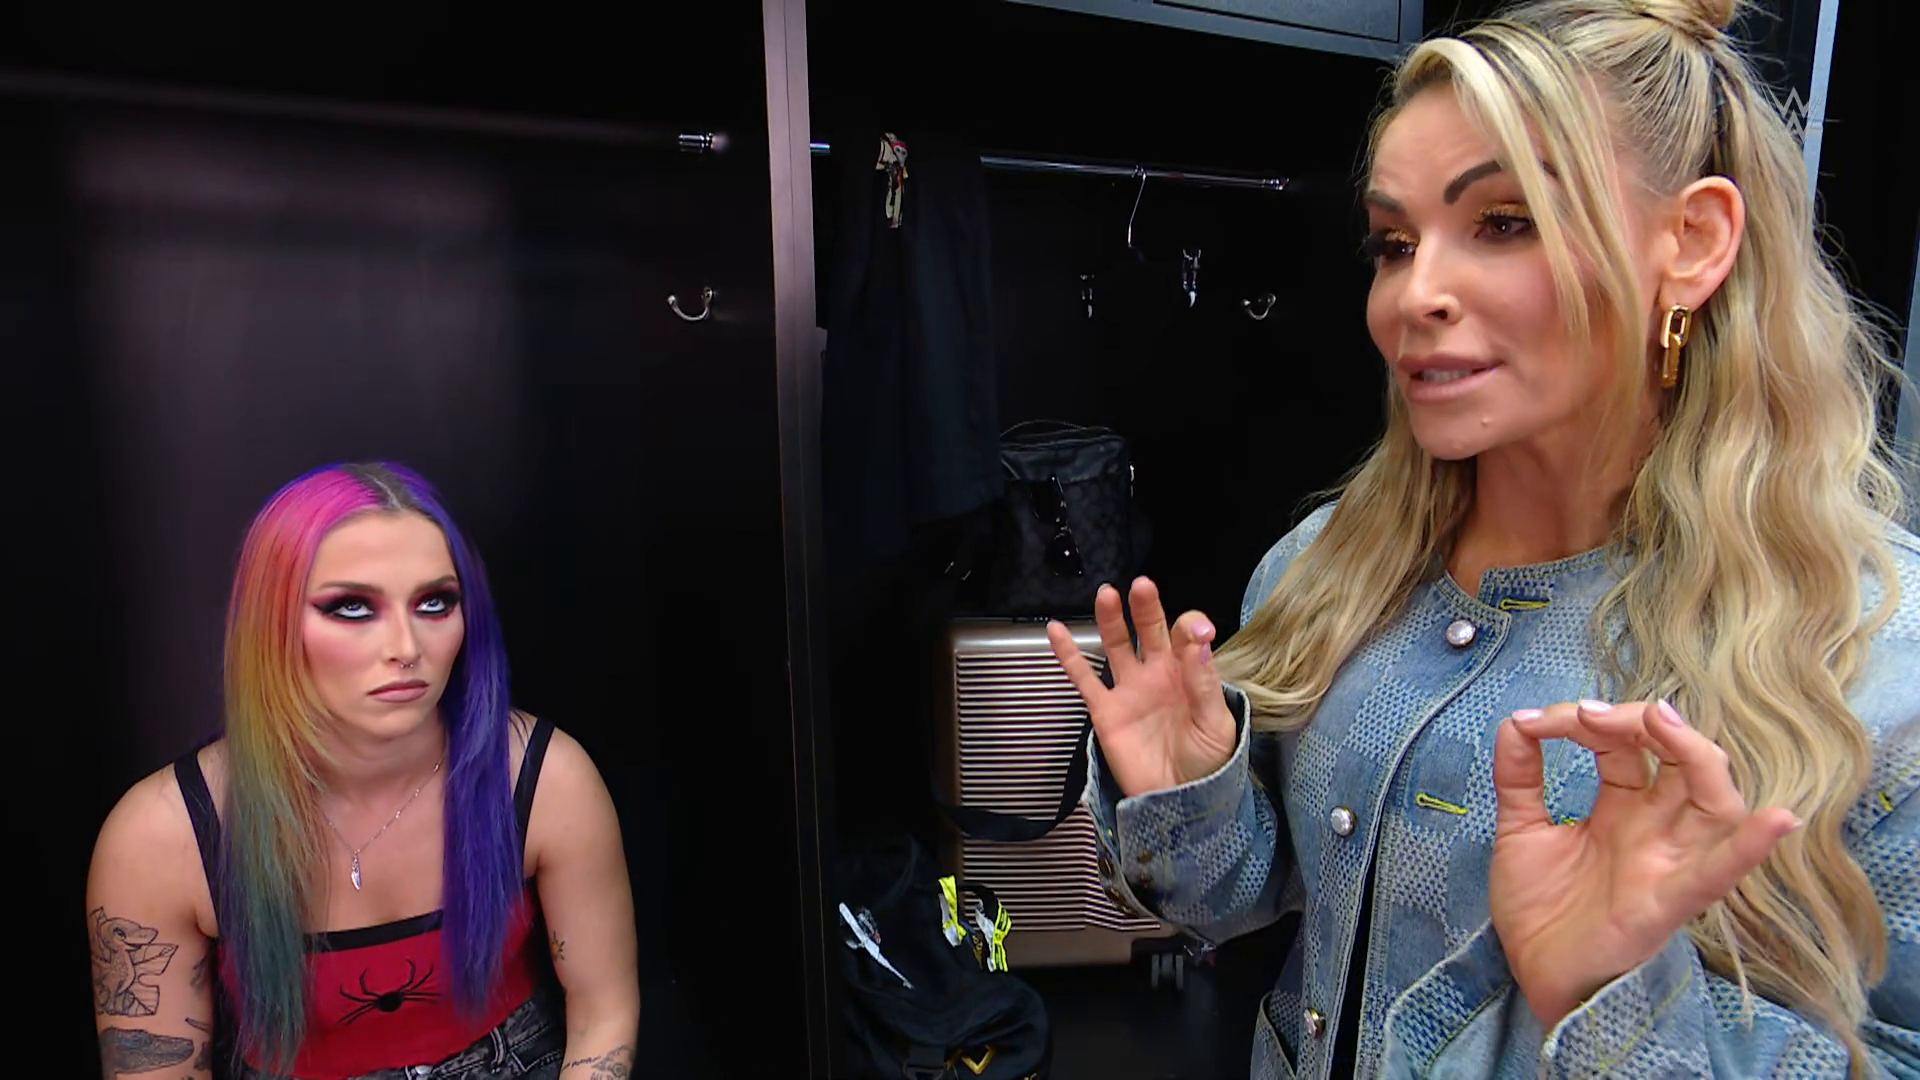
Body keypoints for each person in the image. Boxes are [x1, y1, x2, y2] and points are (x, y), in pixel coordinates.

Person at [1045, 0, 1919, 1076]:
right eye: (1394, 243)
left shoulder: (1878, 663)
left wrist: (1618, 1008)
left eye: (1504, 222)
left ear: (1692, 243)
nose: (1414, 296)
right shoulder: (1327, 567)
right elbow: (1255, 903)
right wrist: (1189, 800)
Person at [87, 462, 640, 1079]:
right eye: (352, 607)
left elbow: (603, 1015)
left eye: (435, 602)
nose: (406, 647)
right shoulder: (164, 838)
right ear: (270, 623)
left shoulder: (542, 778)